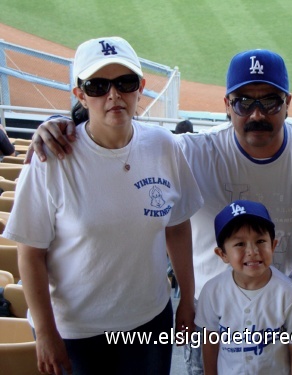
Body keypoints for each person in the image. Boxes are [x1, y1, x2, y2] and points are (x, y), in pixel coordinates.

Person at [27, 49, 292, 375]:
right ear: (226, 103)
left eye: (270, 101)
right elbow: (125, 142)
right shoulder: (189, 151)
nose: (257, 113)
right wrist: (64, 123)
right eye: (244, 102)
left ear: (288, 102)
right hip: (215, 313)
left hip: (288, 312)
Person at [3, 36, 203, 375]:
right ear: (80, 93)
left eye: (124, 83)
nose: (113, 95)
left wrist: (186, 296)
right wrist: (46, 333)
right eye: (97, 85)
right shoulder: (50, 159)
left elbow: (177, 226)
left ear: (140, 87)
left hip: (149, 321)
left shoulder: (164, 147)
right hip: (77, 334)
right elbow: (30, 253)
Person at [196, 199, 292, 375]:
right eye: (240, 244)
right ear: (222, 254)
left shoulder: (286, 293)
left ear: (273, 245)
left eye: (260, 241)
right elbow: (210, 343)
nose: (252, 251)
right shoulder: (212, 292)